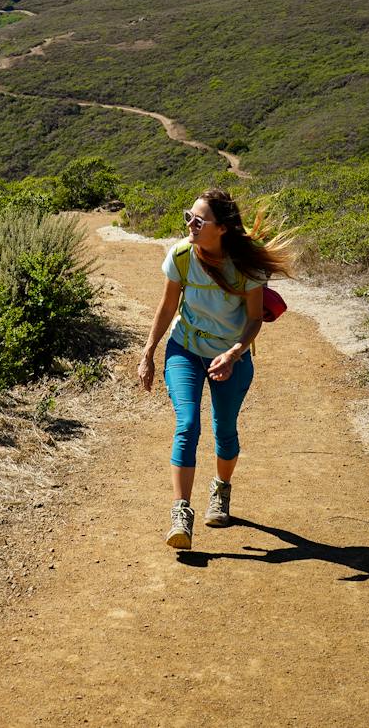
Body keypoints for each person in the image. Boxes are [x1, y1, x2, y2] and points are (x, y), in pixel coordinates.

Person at [137, 188, 293, 550]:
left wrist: (235, 353)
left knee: (225, 430)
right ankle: (181, 512)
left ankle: (221, 489)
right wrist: (148, 352)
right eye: (188, 217)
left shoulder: (246, 266)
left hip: (230, 357)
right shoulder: (180, 255)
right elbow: (166, 308)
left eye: (199, 219)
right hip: (185, 349)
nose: (190, 224)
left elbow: (254, 320)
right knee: (187, 423)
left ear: (221, 228)